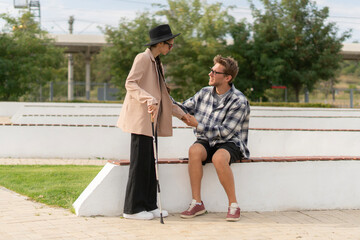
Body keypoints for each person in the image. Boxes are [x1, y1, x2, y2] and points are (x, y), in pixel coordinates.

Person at [117, 24, 188, 220]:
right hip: (141, 121)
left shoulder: (157, 62)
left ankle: (150, 205)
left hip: (153, 121)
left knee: (150, 164)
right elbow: (130, 83)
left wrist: (183, 116)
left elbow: (164, 95)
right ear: (160, 44)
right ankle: (132, 210)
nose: (171, 48)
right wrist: (147, 98)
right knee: (140, 165)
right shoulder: (142, 58)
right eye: (170, 45)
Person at [179, 55, 250, 222]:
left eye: (215, 72)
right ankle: (197, 203)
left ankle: (233, 205)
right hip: (207, 140)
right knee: (194, 150)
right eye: (211, 70)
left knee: (219, 158)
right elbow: (183, 108)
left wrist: (198, 125)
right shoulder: (204, 93)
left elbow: (225, 132)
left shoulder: (239, 101)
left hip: (230, 142)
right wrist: (164, 99)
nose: (210, 74)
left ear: (227, 78)